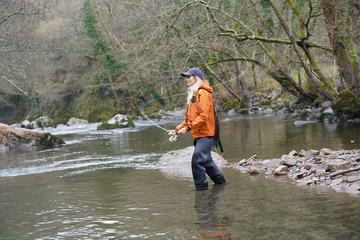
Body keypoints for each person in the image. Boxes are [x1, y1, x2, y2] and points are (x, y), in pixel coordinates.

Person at [168, 68, 226, 190]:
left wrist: (187, 128)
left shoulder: (203, 93)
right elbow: (188, 120)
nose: (186, 79)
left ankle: (201, 190)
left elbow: (203, 117)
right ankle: (221, 185)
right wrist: (176, 130)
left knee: (197, 160)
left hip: (206, 135)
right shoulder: (193, 96)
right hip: (199, 136)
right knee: (207, 162)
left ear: (196, 78)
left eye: (189, 77)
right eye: (186, 77)